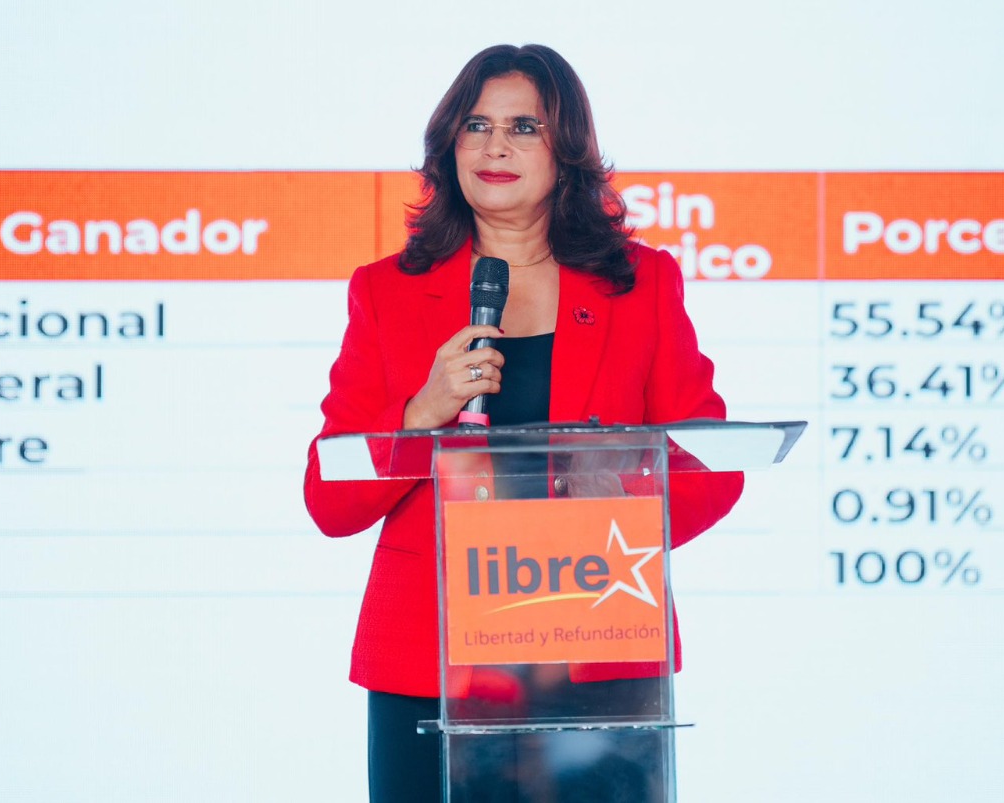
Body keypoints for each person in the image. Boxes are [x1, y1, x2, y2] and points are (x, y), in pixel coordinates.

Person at [303, 43, 743, 803]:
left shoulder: (639, 285)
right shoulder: (386, 293)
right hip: (432, 663)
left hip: (595, 647)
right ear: (450, 148)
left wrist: (624, 492)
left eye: (523, 127)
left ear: (566, 152)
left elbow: (714, 464)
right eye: (475, 126)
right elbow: (329, 498)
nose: (494, 146)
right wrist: (421, 414)